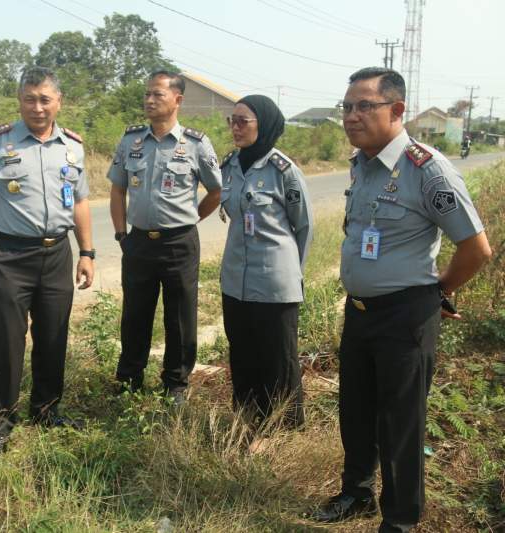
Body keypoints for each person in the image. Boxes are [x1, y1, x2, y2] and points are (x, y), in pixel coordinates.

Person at [312, 67, 492, 532]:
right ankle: (356, 494)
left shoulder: (426, 168)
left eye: (363, 106)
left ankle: (400, 519)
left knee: (400, 422)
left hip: (405, 316)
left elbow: (476, 248)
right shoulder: (361, 163)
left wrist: (441, 290)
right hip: (360, 312)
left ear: (396, 110)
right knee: (355, 410)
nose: (351, 116)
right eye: (347, 107)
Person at [0, 66, 95, 452]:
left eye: (44, 100)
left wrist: (86, 252)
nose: (37, 108)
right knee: (7, 339)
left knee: (53, 335)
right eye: (29, 99)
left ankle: (46, 410)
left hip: (57, 253)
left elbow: (81, 201)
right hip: (10, 255)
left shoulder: (72, 147)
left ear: (59, 102)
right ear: (19, 101)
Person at [108, 70, 222, 404]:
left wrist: (190, 219)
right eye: (147, 94)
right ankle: (129, 380)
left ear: (177, 99)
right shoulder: (131, 141)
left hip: (179, 244)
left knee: (181, 316)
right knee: (135, 314)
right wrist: (121, 234)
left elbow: (217, 190)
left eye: (157, 94)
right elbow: (117, 190)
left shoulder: (195, 144)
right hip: (139, 242)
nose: (149, 100)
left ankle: (176, 383)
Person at [219, 95, 313, 428]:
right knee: (242, 351)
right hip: (236, 279)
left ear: (265, 124)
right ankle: (247, 418)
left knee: (278, 357)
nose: (235, 128)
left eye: (243, 121)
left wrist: (291, 273)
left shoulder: (283, 170)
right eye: (232, 121)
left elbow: (304, 226)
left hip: (274, 281)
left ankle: (284, 426)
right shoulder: (229, 166)